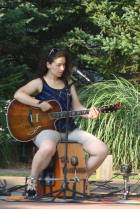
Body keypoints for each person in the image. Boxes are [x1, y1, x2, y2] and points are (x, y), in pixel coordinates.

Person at [14, 48, 108, 198]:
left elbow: (77, 107)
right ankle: (32, 183)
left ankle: (78, 181)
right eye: (58, 65)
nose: (62, 68)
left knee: (101, 150)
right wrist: (38, 103)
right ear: (48, 65)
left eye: (64, 65)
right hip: (46, 129)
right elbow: (18, 94)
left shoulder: (68, 82)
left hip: (69, 129)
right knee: (47, 147)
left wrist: (89, 113)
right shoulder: (39, 83)